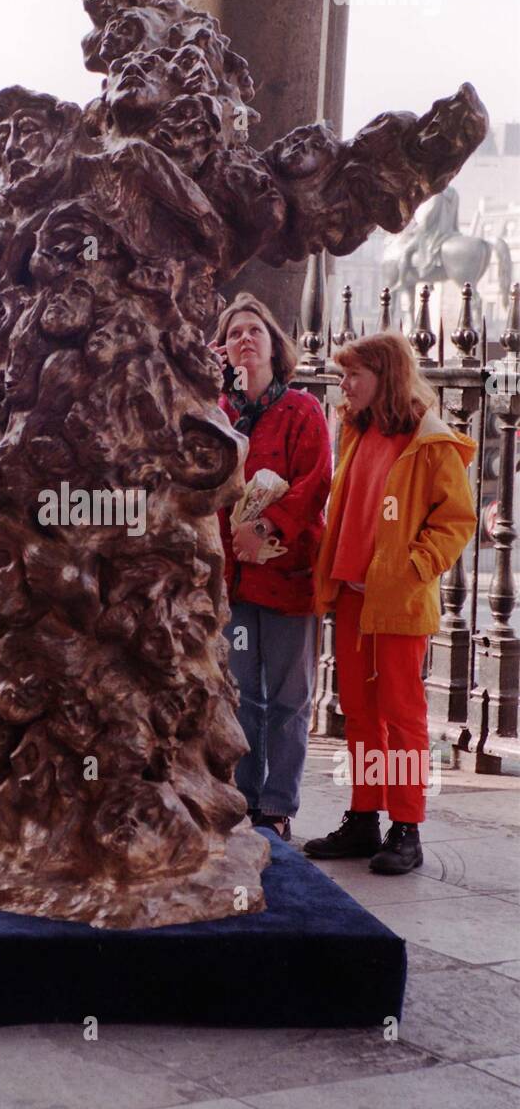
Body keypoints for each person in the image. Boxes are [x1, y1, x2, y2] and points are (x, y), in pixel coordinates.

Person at [306, 332, 476, 873]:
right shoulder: (356, 429)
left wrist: (413, 568)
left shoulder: (430, 439)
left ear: (386, 376)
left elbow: (456, 522)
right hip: (354, 600)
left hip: (398, 603)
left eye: (354, 375)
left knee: (402, 716)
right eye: (341, 375)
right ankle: (363, 818)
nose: (344, 385)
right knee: (357, 713)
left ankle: (407, 828)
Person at [214, 292, 332, 840]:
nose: (244, 340)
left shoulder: (302, 410)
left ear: (273, 346)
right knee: (240, 694)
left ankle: (279, 806)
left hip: (288, 577)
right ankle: (244, 797)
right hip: (235, 582)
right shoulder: (218, 413)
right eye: (234, 332)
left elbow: (314, 484)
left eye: (254, 332)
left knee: (288, 698)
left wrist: (266, 525)